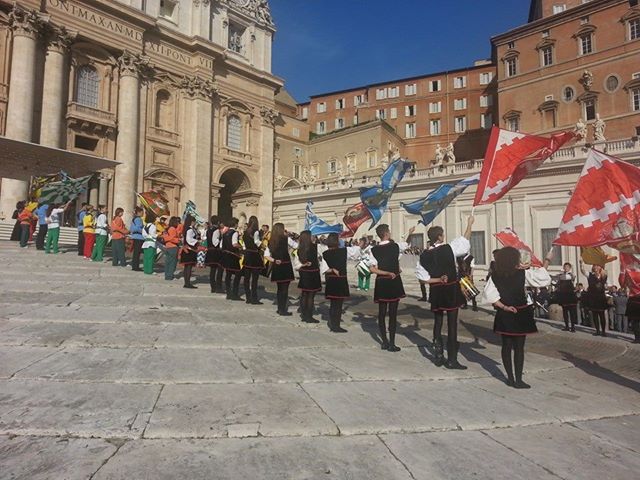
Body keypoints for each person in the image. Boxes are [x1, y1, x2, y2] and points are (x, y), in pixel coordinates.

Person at [481, 246, 552, 389]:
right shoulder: (522, 274)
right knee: (519, 347)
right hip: (520, 313)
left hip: (505, 313)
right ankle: (518, 380)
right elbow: (543, 279)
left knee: (506, 346)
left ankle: (510, 378)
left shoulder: (495, 276)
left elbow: (490, 296)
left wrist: (504, 307)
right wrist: (546, 260)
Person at [416, 215, 474, 368]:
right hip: (451, 291)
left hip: (436, 292)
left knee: (438, 323)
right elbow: (465, 241)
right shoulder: (449, 248)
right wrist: (469, 224)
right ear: (440, 237)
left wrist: (437, 280)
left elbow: (423, 278)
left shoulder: (423, 256)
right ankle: (452, 359)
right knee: (452, 325)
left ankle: (438, 354)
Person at [369, 224, 416, 352]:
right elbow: (406, 244)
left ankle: (384, 341)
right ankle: (392, 343)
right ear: (386, 233)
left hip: (381, 282)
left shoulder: (373, 250)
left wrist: (384, 272)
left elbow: (372, 268)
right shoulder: (395, 246)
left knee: (382, 313)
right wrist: (410, 233)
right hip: (393, 281)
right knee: (393, 313)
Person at [321, 233, 361, 332]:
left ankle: (332, 324)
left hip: (331, 280)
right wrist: (361, 245)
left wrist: (332, 269)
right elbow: (356, 253)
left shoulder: (325, 253)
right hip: (340, 280)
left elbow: (324, 269)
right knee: (338, 304)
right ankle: (336, 326)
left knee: (333, 304)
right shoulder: (344, 251)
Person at [264, 223, 297, 316]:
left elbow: (266, 255)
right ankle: (283, 309)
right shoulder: (287, 239)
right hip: (286, 265)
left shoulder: (271, 241)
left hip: (277, 266)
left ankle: (280, 308)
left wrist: (274, 260)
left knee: (279, 289)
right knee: (285, 289)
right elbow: (296, 246)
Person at [296, 230, 322, 323]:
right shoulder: (314, 247)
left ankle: (303, 315)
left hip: (304, 272)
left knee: (304, 294)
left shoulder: (300, 249)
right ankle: (309, 316)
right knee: (311, 295)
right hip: (312, 273)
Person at [581, 261, 608, 336]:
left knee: (602, 315)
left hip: (601, 298)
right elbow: (583, 271)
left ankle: (603, 331)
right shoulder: (590, 275)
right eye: (594, 266)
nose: (595, 267)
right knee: (595, 315)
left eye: (597, 266)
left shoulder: (604, 275)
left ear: (600, 267)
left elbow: (605, 277)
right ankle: (597, 330)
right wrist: (581, 264)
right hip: (593, 297)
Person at [242, 216, 264, 304]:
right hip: (254, 255)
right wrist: (264, 246)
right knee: (254, 279)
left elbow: (244, 244)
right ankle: (254, 298)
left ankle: (248, 297)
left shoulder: (245, 232)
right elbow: (257, 242)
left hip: (247, 255)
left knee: (247, 278)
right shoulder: (256, 232)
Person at [222, 217, 243, 301]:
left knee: (228, 274)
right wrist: (241, 246)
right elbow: (234, 244)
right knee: (238, 274)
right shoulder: (234, 233)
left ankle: (228, 293)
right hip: (233, 256)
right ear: (235, 224)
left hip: (226, 255)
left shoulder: (225, 233)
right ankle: (234, 293)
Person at [556, 262, 578, 332]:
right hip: (564, 295)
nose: (566, 268)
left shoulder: (571, 275)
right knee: (565, 312)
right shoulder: (561, 275)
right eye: (565, 267)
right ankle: (567, 326)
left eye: (567, 267)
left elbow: (573, 278)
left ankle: (573, 327)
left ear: (569, 268)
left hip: (570, 295)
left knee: (572, 312)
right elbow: (558, 283)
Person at [179, 215, 199, 288]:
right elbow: (189, 239)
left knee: (187, 267)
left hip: (187, 249)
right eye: (194, 222)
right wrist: (197, 241)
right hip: (190, 250)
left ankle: (187, 282)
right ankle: (187, 283)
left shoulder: (186, 229)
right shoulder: (190, 230)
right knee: (188, 267)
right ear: (192, 222)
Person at [204, 216, 223, 292]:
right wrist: (221, 239)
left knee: (213, 270)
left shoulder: (208, 230)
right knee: (219, 269)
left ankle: (213, 286)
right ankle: (218, 287)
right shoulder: (216, 230)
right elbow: (215, 242)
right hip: (216, 252)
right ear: (218, 222)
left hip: (210, 251)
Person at [162, 216, 181, 280]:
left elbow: (165, 237)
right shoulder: (172, 229)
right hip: (173, 246)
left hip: (168, 246)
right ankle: (170, 275)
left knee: (168, 262)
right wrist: (178, 240)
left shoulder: (167, 228)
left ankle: (167, 275)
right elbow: (171, 238)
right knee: (172, 262)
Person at [129, 207, 145, 271]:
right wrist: (143, 230)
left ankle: (134, 266)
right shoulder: (138, 219)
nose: (143, 213)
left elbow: (132, 228)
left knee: (136, 253)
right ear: (139, 212)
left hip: (135, 237)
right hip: (139, 237)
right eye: (142, 212)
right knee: (137, 253)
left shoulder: (134, 219)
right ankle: (136, 267)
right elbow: (136, 228)